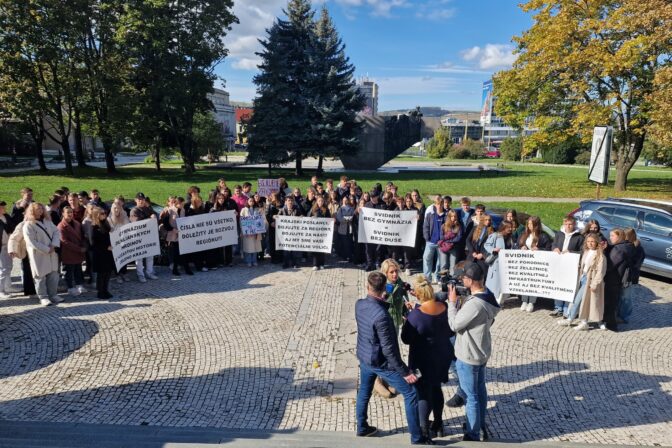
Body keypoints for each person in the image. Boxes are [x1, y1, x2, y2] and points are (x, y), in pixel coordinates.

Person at [355, 271, 426, 445]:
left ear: (367, 286)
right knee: (410, 394)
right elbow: (388, 350)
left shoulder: (359, 304)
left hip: (364, 357)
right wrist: (404, 372)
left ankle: (362, 427)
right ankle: (417, 437)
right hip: (381, 363)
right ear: (384, 289)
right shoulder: (382, 316)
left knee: (364, 391)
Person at [447, 262, 500, 441]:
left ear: (470, 280)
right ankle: (479, 424)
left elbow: (454, 324)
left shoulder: (475, 305)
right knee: (480, 390)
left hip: (468, 355)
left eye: (464, 278)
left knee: (471, 397)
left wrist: (452, 303)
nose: (461, 279)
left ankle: (473, 433)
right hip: (481, 351)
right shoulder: (489, 296)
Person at [401, 274, 454, 441]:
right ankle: (438, 424)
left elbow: (406, 339)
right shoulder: (444, 307)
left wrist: (407, 319)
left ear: (417, 293)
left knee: (422, 393)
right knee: (436, 387)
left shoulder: (415, 316)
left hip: (422, 360)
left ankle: (423, 429)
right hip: (443, 355)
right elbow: (450, 329)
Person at [558, 233, 607, 330]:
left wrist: (594, 284)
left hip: (590, 280)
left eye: (592, 241)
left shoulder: (600, 256)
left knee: (580, 300)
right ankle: (579, 320)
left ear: (596, 242)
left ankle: (573, 320)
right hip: (583, 278)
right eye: (588, 241)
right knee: (582, 301)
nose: (590, 243)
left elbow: (601, 272)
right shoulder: (586, 252)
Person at [23, 203, 61, 306]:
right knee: (40, 276)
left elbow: (56, 232)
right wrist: (46, 249)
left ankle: (53, 294)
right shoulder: (28, 225)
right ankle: (43, 297)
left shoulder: (48, 221)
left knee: (53, 274)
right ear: (32, 211)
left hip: (51, 252)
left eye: (41, 208)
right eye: (37, 209)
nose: (40, 210)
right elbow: (31, 241)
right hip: (38, 254)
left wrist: (53, 245)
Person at [550, 216, 584, 317]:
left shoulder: (579, 237)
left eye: (570, 224)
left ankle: (566, 308)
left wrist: (571, 252)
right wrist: (555, 248)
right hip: (559, 264)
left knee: (568, 287)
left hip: (571, 266)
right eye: (566, 224)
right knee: (558, 285)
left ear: (574, 225)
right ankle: (558, 307)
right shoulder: (559, 234)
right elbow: (553, 244)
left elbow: (582, 251)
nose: (568, 226)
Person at [603, 229, 635, 332]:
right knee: (614, 301)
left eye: (612, 236)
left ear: (619, 236)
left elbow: (610, 265)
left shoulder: (619, 249)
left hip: (613, 279)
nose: (610, 238)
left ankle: (611, 324)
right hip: (619, 279)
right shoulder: (628, 246)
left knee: (610, 302)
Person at [518, 216, 552, 312]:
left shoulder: (543, 236)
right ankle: (524, 300)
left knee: (533, 283)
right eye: (528, 224)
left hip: (537, 264)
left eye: (531, 224)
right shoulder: (524, 234)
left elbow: (549, 249)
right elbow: (517, 244)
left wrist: (539, 250)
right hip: (525, 262)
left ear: (536, 225)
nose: (529, 226)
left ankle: (531, 302)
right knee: (525, 281)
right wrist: (522, 247)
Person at [58, 206, 87, 296]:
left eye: (71, 212)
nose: (70, 214)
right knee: (69, 271)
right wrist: (79, 249)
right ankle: (70, 287)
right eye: (68, 212)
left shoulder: (77, 223)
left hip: (78, 251)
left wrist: (83, 245)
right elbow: (64, 241)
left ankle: (79, 285)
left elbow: (82, 236)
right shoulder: (61, 226)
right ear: (63, 213)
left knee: (78, 269)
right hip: (69, 252)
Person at [619, 228, 646, 323]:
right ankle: (620, 314)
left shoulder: (636, 248)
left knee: (626, 297)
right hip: (625, 275)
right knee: (622, 296)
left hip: (628, 276)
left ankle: (625, 316)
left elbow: (636, 264)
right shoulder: (627, 246)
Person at [130, 193, 159, 281]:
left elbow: (155, 216)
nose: (141, 201)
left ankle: (149, 272)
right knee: (139, 258)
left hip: (149, 236)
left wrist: (154, 216)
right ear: (136, 200)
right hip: (138, 237)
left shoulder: (147, 209)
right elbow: (137, 223)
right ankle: (140, 274)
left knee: (150, 256)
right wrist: (150, 219)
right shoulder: (134, 211)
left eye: (142, 199)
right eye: (139, 199)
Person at [90, 207, 115, 299]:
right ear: (97, 215)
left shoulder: (106, 224)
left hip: (108, 253)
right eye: (101, 213)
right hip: (100, 254)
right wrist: (105, 247)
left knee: (108, 273)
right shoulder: (94, 228)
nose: (104, 215)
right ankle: (100, 291)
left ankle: (105, 290)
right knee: (101, 274)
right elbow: (94, 243)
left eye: (104, 213)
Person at [422, 197, 447, 284]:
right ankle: (427, 278)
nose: (439, 206)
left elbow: (448, 229)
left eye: (441, 204)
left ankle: (437, 277)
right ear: (435, 204)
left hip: (442, 243)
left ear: (443, 204)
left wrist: (444, 239)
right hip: (430, 242)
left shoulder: (446, 215)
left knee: (440, 261)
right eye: (437, 204)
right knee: (426, 259)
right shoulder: (430, 214)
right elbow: (425, 226)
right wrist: (427, 237)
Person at [107, 200, 131, 282]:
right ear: (112, 209)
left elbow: (128, 228)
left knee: (125, 259)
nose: (116, 210)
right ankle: (118, 275)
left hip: (123, 241)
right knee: (116, 260)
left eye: (118, 208)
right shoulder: (109, 219)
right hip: (114, 243)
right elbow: (109, 231)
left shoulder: (124, 217)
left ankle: (124, 273)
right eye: (114, 208)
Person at [240, 196, 266, 267]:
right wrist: (244, 231)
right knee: (248, 248)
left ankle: (254, 261)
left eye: (252, 201)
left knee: (255, 247)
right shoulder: (243, 210)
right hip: (247, 233)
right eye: (250, 201)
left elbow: (261, 219)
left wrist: (262, 212)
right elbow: (241, 221)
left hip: (256, 232)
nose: (251, 202)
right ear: (247, 202)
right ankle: (248, 261)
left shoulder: (257, 209)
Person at [278, 196, 302, 269]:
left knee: (294, 249)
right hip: (285, 233)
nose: (290, 202)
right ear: (286, 202)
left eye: (291, 200)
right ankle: (286, 263)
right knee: (286, 249)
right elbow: (277, 217)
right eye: (288, 200)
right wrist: (274, 218)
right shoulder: (282, 210)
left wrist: (301, 217)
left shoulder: (296, 209)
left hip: (294, 232)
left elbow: (302, 216)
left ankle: (295, 263)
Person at [309, 195, 331, 270]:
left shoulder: (326, 210)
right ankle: (315, 264)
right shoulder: (313, 209)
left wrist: (332, 220)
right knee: (315, 248)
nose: (320, 202)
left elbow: (329, 219)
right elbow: (307, 218)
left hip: (323, 232)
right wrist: (311, 218)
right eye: (319, 201)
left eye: (322, 201)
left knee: (322, 249)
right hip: (315, 232)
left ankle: (322, 264)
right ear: (316, 202)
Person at [0, 201, 16, 298]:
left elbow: (12, 226)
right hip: (1, 247)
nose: (4, 209)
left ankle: (8, 286)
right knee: (3, 268)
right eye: (2, 207)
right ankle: (1, 290)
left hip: (9, 245)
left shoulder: (6, 216)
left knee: (9, 266)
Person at [441, 209, 463, 276]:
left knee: (453, 265)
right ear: (449, 217)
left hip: (454, 247)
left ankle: (451, 280)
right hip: (444, 247)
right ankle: (443, 279)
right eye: (452, 216)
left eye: (455, 216)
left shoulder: (459, 226)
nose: (453, 218)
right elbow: (441, 237)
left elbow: (458, 238)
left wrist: (449, 241)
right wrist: (447, 241)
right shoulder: (444, 225)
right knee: (443, 264)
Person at [335, 196, 355, 262]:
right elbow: (339, 218)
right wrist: (347, 219)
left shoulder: (351, 208)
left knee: (349, 243)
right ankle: (344, 256)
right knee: (343, 243)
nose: (345, 201)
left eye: (346, 200)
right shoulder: (340, 208)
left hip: (349, 228)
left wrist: (346, 218)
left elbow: (352, 217)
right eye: (344, 200)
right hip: (342, 228)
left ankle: (349, 256)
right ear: (342, 201)